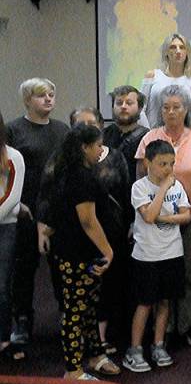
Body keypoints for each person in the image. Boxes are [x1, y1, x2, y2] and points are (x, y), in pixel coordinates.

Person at [134, 85, 191, 348]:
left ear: (187, 109)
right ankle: (163, 330)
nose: (170, 112)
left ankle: (186, 325)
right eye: (166, 107)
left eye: (176, 107)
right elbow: (139, 176)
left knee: (190, 274)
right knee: (160, 277)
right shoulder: (150, 138)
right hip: (155, 221)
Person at [44, 124, 117, 380]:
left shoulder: (74, 172)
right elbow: (88, 220)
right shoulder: (79, 178)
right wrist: (108, 250)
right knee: (75, 311)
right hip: (76, 254)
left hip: (84, 253)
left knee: (90, 307)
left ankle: (96, 355)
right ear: (84, 148)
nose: (101, 150)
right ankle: (73, 369)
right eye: (98, 146)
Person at [7, 78, 70, 353]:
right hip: (24, 211)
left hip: (55, 211)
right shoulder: (13, 129)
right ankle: (22, 321)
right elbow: (5, 171)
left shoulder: (62, 130)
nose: (48, 99)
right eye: (41, 95)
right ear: (27, 100)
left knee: (60, 269)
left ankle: (67, 319)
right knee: (23, 269)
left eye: (51, 94)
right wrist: (16, 204)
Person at [68, 107, 133, 356]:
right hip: (78, 236)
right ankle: (78, 351)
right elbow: (54, 197)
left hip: (112, 230)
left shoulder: (115, 157)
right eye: (80, 124)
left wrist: (129, 225)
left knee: (105, 289)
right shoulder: (70, 166)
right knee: (78, 292)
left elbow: (125, 193)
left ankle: (99, 340)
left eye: (92, 123)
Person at [122, 140, 191, 373]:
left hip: (172, 252)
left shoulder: (177, 186)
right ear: (147, 163)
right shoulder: (139, 188)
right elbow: (149, 216)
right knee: (144, 303)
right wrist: (162, 188)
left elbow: (186, 215)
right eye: (162, 164)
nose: (168, 169)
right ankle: (134, 349)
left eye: (171, 164)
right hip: (147, 255)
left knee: (165, 301)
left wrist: (167, 219)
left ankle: (158, 344)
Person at [0, 110, 26, 361]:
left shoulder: (13, 157)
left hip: (5, 225)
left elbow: (13, 197)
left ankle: (4, 339)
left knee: (2, 285)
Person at [141, 33, 191, 127]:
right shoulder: (152, 76)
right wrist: (146, 133)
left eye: (182, 47)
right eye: (173, 47)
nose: (178, 51)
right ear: (166, 52)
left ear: (187, 53)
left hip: (182, 136)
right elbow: (141, 109)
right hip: (152, 134)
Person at [103, 85, 148, 166]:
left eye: (129, 103)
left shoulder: (147, 138)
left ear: (140, 108)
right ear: (112, 107)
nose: (123, 106)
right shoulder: (103, 135)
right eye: (119, 103)